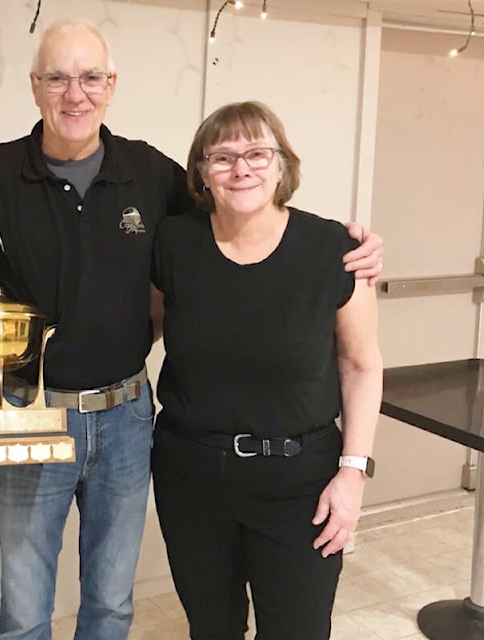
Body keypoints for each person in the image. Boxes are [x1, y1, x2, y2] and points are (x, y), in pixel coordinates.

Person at [0, 19, 383, 640]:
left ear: (111, 85)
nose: (74, 94)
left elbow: (239, 219)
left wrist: (350, 245)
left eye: (90, 77)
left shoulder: (153, 176)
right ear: (34, 86)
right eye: (57, 78)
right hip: (30, 415)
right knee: (24, 612)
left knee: (110, 606)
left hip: (127, 421)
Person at [150, 101, 383, 640]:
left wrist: (354, 471)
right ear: (202, 173)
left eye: (258, 153)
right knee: (211, 628)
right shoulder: (175, 243)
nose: (242, 168)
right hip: (192, 477)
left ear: (282, 166)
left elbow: (362, 364)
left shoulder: (335, 250)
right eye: (224, 156)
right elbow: (146, 323)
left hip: (302, 483)